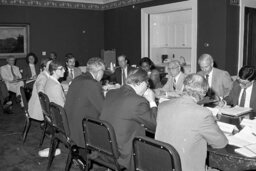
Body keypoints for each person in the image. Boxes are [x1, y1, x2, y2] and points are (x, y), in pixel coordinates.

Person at [155, 73, 228, 171]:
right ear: (203, 93)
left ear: (183, 87)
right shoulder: (203, 114)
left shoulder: (163, 106)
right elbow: (221, 143)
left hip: (162, 164)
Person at [100, 68, 157, 170]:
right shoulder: (138, 101)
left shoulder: (111, 93)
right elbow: (154, 125)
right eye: (147, 84)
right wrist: (152, 102)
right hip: (123, 153)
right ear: (140, 83)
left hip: (105, 146)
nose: (147, 87)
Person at [65, 57, 105, 148]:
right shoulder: (93, 84)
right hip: (81, 129)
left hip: (69, 124)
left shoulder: (78, 78)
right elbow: (103, 109)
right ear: (99, 72)